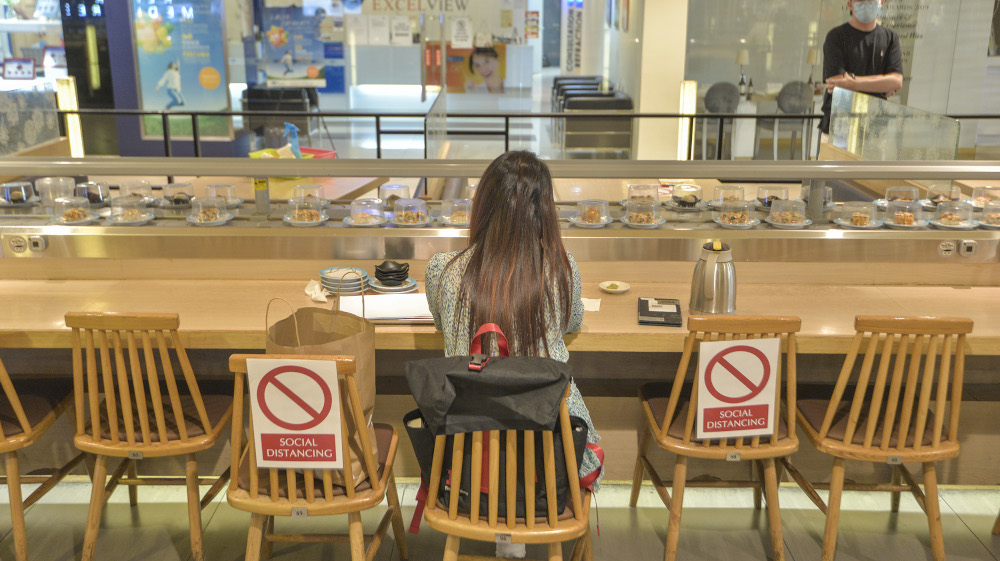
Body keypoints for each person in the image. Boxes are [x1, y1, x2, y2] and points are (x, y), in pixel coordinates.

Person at [424, 150, 601, 558]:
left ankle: (498, 512)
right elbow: (572, 323)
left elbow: (441, 321)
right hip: (552, 460)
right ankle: (523, 514)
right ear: (545, 211)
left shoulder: (443, 269)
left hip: (464, 459)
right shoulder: (562, 269)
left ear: (482, 204)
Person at [819, 0, 903, 134]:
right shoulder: (836, 36)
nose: (866, 2)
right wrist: (882, 83)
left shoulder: (890, 38)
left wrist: (852, 83)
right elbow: (837, 84)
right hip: (840, 123)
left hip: (876, 125)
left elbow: (896, 81)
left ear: (881, 2)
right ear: (850, 4)